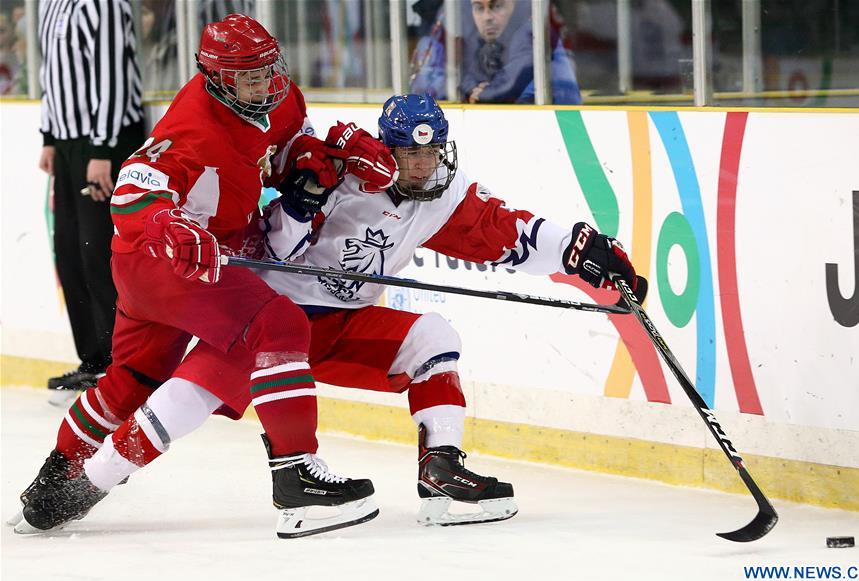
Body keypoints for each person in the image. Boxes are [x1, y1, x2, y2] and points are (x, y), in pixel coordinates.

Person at [38, 94, 640, 533]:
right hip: (271, 320)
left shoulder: (445, 196)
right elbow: (276, 247)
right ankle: (87, 486)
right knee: (184, 400)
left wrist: (583, 250)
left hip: (344, 325)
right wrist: (304, 200)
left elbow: (509, 233)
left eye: (431, 154)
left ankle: (441, 471)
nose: (421, 167)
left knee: (433, 337)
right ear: (388, 148)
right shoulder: (344, 175)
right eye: (409, 154)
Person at [12, 14, 397, 539]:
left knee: (135, 378)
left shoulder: (281, 97)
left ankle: (54, 483)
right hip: (168, 258)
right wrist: (170, 225)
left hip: (182, 257)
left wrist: (324, 159)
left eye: (268, 71)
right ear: (216, 77)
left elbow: (283, 150)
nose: (264, 85)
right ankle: (296, 474)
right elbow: (132, 191)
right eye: (249, 77)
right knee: (280, 325)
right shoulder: (192, 125)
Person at [37, 0, 147, 396]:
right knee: (70, 253)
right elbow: (50, 71)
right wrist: (49, 137)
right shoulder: (49, 4)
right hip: (68, 144)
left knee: (100, 254)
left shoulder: (104, 4)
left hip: (104, 143)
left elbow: (112, 75)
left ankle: (124, 365)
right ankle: (95, 360)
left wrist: (103, 148)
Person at [461, 0, 581, 104]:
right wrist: (473, 88)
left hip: (561, 116)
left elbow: (509, 85)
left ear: (515, 4)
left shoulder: (531, 30)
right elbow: (465, 71)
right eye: (479, 8)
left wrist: (484, 93)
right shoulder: (489, 39)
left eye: (497, 6)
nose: (487, 17)